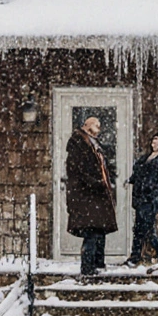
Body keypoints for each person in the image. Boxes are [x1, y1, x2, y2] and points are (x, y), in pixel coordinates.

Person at [66, 116, 117, 276]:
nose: (99, 128)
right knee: (92, 231)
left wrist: (105, 182)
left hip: (97, 194)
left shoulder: (94, 145)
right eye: (96, 125)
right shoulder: (79, 144)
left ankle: (99, 263)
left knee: (99, 230)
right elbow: (78, 171)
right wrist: (95, 182)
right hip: (87, 195)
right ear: (86, 126)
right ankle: (87, 267)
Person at [123, 131, 158, 268]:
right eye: (153, 141)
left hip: (150, 198)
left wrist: (150, 190)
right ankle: (135, 257)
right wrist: (130, 180)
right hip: (141, 198)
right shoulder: (146, 157)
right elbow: (139, 174)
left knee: (147, 229)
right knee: (139, 229)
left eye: (157, 141)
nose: (154, 143)